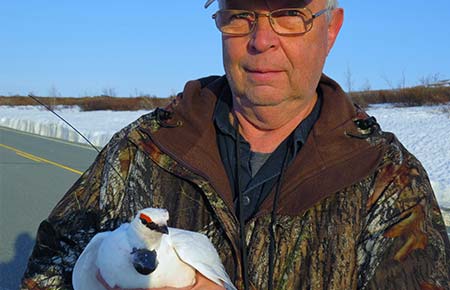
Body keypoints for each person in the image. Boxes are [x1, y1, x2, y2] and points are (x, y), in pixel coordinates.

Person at [21, 0, 450, 289]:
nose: (261, 40)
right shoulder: (141, 149)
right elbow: (47, 270)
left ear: (331, 28)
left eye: (288, 14)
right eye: (240, 14)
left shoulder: (387, 178)